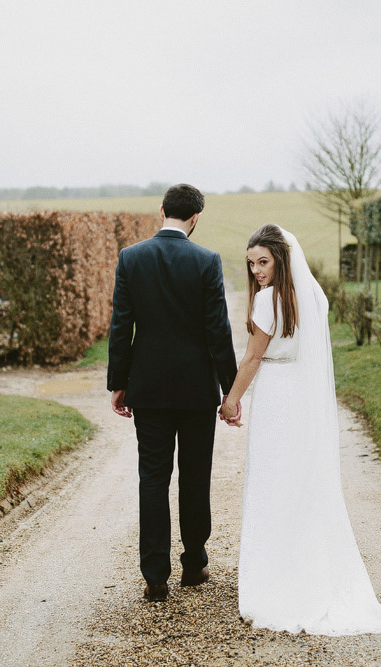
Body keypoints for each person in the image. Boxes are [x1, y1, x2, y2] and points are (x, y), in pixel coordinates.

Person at [220, 224, 381, 635]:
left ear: (281, 259)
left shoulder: (268, 301)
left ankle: (279, 582)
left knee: (271, 481)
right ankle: (309, 570)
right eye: (251, 264)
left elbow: (250, 360)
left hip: (278, 395)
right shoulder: (313, 296)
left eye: (263, 262)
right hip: (303, 396)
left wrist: (231, 401)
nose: (257, 271)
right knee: (301, 481)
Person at [107, 184, 239, 602]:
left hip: (147, 390)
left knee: (153, 478)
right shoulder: (206, 261)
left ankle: (155, 575)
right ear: (195, 217)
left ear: (161, 210)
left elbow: (120, 325)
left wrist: (119, 383)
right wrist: (231, 390)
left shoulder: (131, 258)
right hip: (198, 392)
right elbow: (218, 330)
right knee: (195, 475)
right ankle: (194, 562)